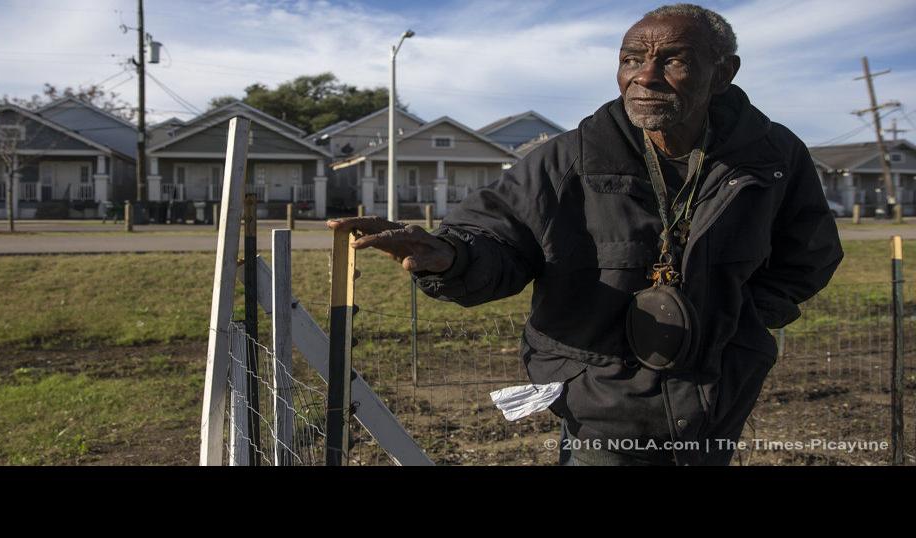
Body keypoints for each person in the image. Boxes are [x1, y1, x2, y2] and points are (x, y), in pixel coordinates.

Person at [327, 3, 842, 466]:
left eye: (674, 60)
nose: (646, 76)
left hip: (717, 399)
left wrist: (741, 326)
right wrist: (450, 255)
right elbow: (497, 239)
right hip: (599, 405)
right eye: (631, 59)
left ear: (723, 72)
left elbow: (809, 254)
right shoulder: (566, 158)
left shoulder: (771, 155)